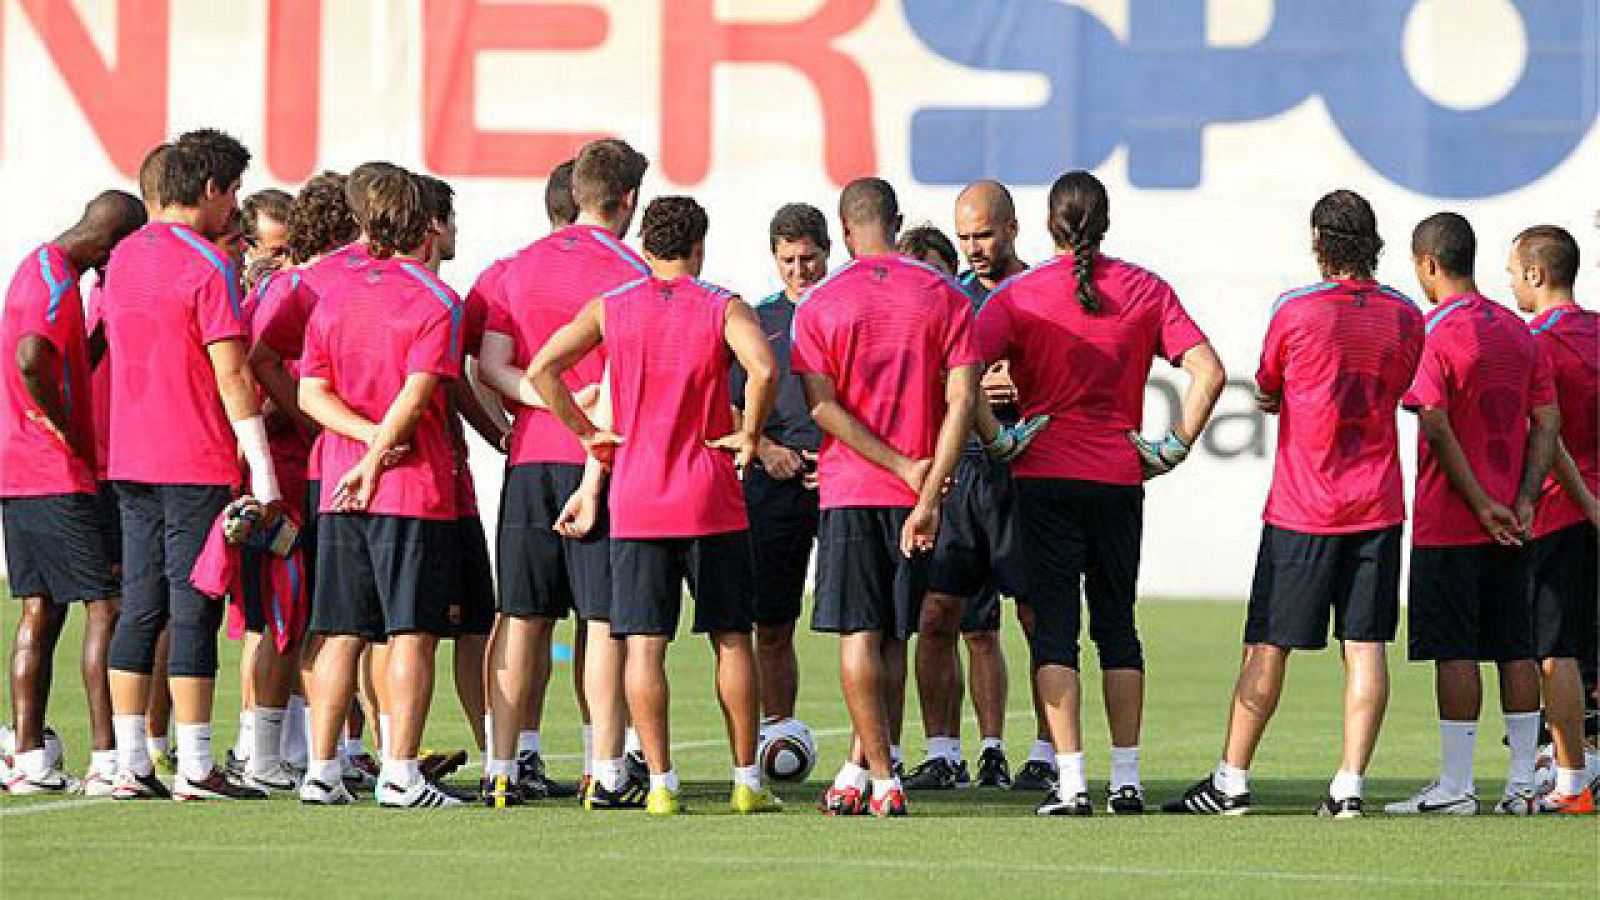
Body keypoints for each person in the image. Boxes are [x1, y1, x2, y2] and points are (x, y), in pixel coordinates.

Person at [1164, 190, 1424, 817]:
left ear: (1318, 241)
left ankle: (1231, 781)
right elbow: (1403, 385)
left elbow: (1270, 386)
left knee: (1267, 646)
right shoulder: (1406, 313)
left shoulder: (1296, 309)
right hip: (1379, 504)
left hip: (1304, 508)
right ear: (1373, 241)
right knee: (1365, 648)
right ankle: (1349, 786)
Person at [976, 170, 1225, 815]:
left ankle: (1072, 781)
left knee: (1054, 632)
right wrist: (1173, 446)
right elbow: (1210, 371)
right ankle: (1128, 779)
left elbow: (963, 372)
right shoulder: (1144, 288)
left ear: (1047, 225)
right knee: (1118, 628)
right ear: (1105, 221)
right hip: (1118, 478)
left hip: (1046, 477)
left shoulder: (1020, 295)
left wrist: (997, 440)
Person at [529, 195, 782, 816]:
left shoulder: (613, 307)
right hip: (709, 494)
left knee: (643, 645)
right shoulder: (723, 303)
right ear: (699, 246)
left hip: (638, 495)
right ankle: (747, 780)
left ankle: (663, 784)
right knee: (731, 638)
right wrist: (750, 433)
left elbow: (542, 369)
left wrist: (586, 433)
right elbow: (765, 368)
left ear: (644, 248)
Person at [103, 129, 283, 801]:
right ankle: (197, 765)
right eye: (233, 190)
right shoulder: (205, 265)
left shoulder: (122, 257)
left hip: (131, 454)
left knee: (140, 607)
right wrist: (263, 474)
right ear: (211, 190)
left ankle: (131, 764)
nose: (233, 205)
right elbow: (233, 373)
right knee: (193, 605)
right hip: (193, 457)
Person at [796, 177, 981, 818]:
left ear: (845, 232)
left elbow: (822, 407)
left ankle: (879, 777)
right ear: (898, 223)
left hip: (850, 487)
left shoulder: (819, 303)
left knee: (858, 634)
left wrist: (899, 465)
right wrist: (926, 487)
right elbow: (962, 402)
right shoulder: (944, 294)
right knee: (894, 638)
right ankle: (866, 767)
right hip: (917, 495)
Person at [477, 139, 650, 809]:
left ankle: (501, 767)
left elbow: (488, 367)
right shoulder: (632, 271)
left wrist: (543, 401)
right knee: (600, 621)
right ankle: (603, 768)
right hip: (597, 460)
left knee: (521, 618)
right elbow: (621, 378)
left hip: (528, 459)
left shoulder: (515, 267)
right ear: (628, 199)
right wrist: (581, 412)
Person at [296, 167, 464, 808]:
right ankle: (399, 773)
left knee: (340, 631)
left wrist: (359, 449)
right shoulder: (434, 300)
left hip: (340, 488)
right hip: (408, 489)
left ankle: (321, 771)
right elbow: (418, 396)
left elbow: (312, 393)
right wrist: (378, 452)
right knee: (410, 633)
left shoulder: (334, 297)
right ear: (426, 225)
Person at [1385, 212, 1560, 817]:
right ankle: (1518, 787)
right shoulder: (1520, 331)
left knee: (1454, 650)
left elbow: (1432, 420)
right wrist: (1524, 498)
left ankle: (1456, 787)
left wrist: (1482, 503)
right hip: (1514, 521)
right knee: (1515, 647)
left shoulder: (1431, 330)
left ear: (1428, 265)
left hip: (1450, 520)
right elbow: (1548, 422)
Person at [1, 191, 146, 793]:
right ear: (111, 246)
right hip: (53, 470)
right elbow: (33, 359)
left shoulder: (40, 268)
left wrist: (97, 345)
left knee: (40, 607)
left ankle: (30, 756)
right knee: (105, 605)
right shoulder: (52, 282)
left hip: (17, 471)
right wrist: (62, 425)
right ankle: (107, 757)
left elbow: (54, 357)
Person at [904, 182, 1036, 792]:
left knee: (1038, 617)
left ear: (1012, 227)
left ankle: (1043, 751)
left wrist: (1025, 391)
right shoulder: (945, 299)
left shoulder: (1040, 295)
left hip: (1023, 473)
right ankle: (942, 753)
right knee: (939, 617)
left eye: (983, 234)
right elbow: (926, 383)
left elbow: (1069, 381)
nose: (973, 247)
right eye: (965, 236)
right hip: (958, 474)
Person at [240, 171, 362, 791]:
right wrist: (303, 413)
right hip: (288, 469)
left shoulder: (305, 284)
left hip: (304, 461)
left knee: (299, 612)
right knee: (281, 612)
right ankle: (261, 753)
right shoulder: (298, 288)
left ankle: (285, 749)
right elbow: (255, 367)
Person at [1507, 225, 1597, 814]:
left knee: (1554, 651)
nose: (1510, 283)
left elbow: (1547, 431)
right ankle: (1586, 758)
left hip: (1563, 512)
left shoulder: (1532, 340)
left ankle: (1569, 783)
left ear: (1537, 275)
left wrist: (1584, 499)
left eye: (1512, 272)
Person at [732, 203, 829, 724]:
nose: (799, 270)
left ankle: (881, 751)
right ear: (774, 258)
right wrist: (766, 450)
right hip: (774, 482)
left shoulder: (845, 308)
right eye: (788, 260)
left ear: (827, 253)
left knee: (866, 625)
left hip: (843, 479)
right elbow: (729, 405)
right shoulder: (757, 318)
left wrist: (840, 456)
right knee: (771, 622)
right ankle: (776, 732)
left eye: (808, 258)